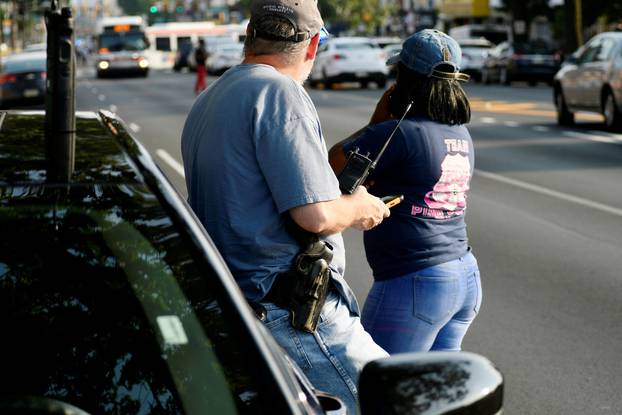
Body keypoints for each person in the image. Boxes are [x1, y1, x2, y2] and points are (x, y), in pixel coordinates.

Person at [180, 0, 390, 412]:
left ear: (249, 38)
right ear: (312, 46)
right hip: (292, 314)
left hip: (240, 310)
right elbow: (316, 215)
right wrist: (359, 206)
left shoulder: (209, 98)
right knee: (393, 401)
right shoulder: (279, 91)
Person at [328, 29, 482, 354]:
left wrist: (379, 118)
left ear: (404, 79)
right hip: (463, 276)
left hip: (415, 282)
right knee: (431, 395)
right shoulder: (461, 135)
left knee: (374, 386)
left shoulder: (397, 134)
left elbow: (332, 166)